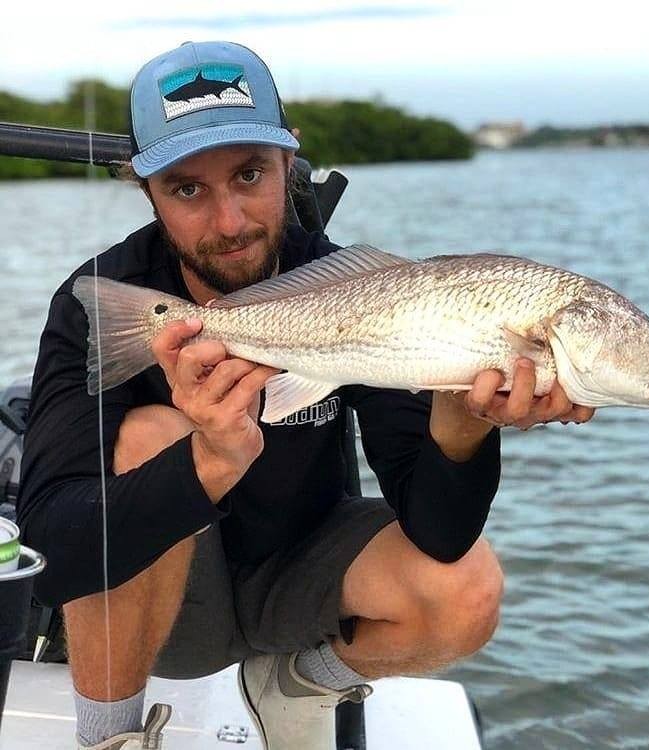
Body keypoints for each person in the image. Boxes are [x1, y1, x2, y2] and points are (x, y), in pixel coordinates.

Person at [17, 41, 595, 750]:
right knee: (152, 433)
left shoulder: (360, 292)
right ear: (145, 191)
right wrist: (212, 458)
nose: (229, 222)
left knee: (468, 588)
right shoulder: (108, 304)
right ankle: (109, 738)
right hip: (168, 614)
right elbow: (55, 550)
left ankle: (298, 685)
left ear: (290, 164)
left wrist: (463, 416)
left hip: (302, 582)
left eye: (250, 173)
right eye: (187, 188)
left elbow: (439, 535)